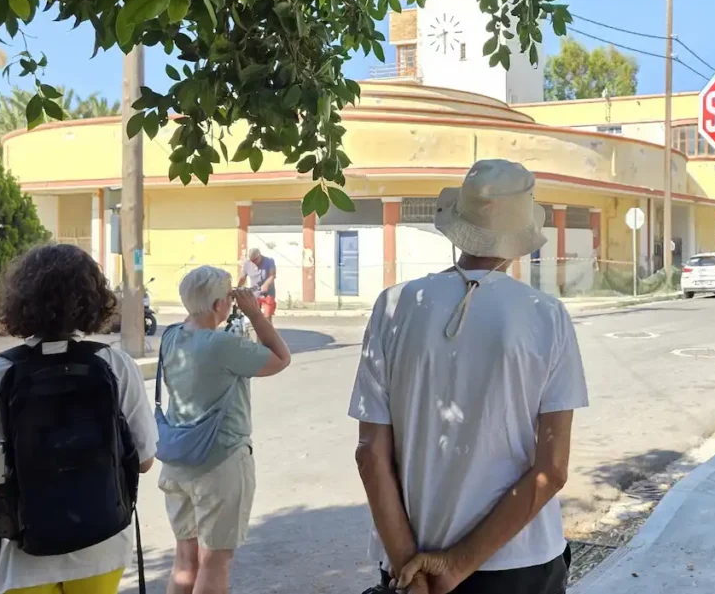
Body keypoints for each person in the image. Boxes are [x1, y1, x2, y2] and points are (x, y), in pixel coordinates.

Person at [349, 159, 589, 594]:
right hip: (520, 563)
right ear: (520, 235)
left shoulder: (394, 306)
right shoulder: (546, 316)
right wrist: (456, 566)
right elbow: (551, 469)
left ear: (458, 226)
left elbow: (370, 454)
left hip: (410, 566)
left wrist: (410, 569)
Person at [0, 243, 158, 594]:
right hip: (103, 546)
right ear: (94, 300)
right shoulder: (117, 365)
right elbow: (143, 461)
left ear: (18, 300)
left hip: (24, 553)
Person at [158, 266, 291, 594]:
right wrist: (255, 313)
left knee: (185, 560)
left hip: (177, 462)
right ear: (219, 304)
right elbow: (281, 358)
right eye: (229, 298)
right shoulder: (222, 345)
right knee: (215, 561)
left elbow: (198, 319)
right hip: (220, 463)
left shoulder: (170, 337)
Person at [238, 248, 276, 318]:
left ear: (260, 256)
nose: (254, 262)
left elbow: (272, 275)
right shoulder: (247, 264)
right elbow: (243, 278)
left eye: (255, 260)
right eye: (252, 260)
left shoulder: (269, 261)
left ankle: (267, 324)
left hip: (268, 294)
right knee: (255, 317)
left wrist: (266, 284)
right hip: (255, 294)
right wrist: (238, 289)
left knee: (267, 317)